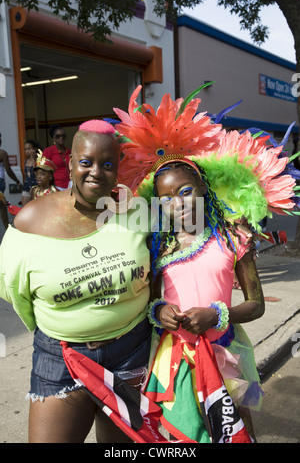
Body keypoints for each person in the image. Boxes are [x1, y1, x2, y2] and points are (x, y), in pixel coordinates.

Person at [113, 85, 299, 443]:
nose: (178, 204)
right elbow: (151, 301)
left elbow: (256, 304)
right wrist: (159, 311)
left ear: (203, 190)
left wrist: (218, 314)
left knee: (233, 427)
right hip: (173, 356)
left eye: (186, 192)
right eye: (167, 199)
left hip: (224, 352)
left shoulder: (233, 237)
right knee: (180, 433)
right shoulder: (159, 246)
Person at [0, 119, 152, 443]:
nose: (96, 171)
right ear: (69, 163)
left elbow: (157, 272)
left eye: (107, 164)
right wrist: (66, 323)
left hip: (131, 353)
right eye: (86, 162)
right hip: (61, 358)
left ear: (118, 167)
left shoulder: (136, 213)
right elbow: (15, 291)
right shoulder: (30, 221)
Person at [0, 133, 22, 229]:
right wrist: (17, 182)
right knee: (2, 207)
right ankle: (7, 229)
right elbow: (8, 171)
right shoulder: (2, 153)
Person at [43, 124, 71, 190]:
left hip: (70, 185)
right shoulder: (48, 151)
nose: (61, 138)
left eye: (63, 136)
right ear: (53, 138)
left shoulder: (70, 152)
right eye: (58, 136)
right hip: (56, 186)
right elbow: (44, 170)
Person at [21, 140, 38, 206]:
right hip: (27, 186)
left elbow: (37, 171)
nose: (27, 151)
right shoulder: (26, 161)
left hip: (36, 187)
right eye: (25, 149)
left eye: (29, 149)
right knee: (24, 207)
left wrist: (33, 158)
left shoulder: (38, 159)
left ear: (35, 149)